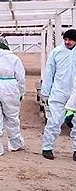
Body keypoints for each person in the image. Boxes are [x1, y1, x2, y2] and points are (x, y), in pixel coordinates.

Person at [40, 29, 76, 160]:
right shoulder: (56, 52)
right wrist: (45, 92)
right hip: (58, 93)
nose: (67, 42)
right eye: (65, 39)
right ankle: (47, 147)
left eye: (70, 40)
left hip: (74, 94)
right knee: (54, 121)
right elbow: (49, 73)